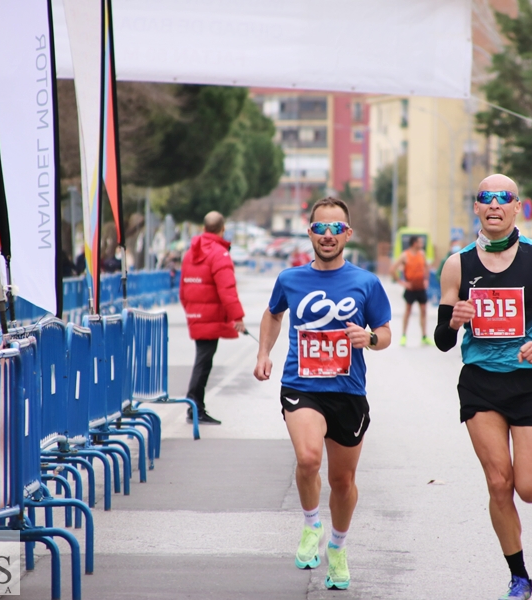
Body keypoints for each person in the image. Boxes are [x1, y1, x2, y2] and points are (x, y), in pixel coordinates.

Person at [434, 174, 532, 600]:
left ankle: (519, 565)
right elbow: (443, 341)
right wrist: (454, 320)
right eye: (486, 198)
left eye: (504, 198)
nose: (495, 205)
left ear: (518, 206)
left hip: (529, 384)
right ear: (477, 208)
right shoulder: (458, 264)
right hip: (481, 384)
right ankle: (518, 575)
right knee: (499, 483)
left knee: (530, 489)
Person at [253, 197, 392, 591]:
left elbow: (384, 334)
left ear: (347, 234)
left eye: (336, 229)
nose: (327, 236)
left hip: (348, 391)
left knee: (343, 481)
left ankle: (338, 548)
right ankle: (312, 523)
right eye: (320, 228)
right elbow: (273, 312)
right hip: (302, 385)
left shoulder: (366, 282)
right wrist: (264, 353)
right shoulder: (290, 279)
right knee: (308, 458)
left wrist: (368, 337)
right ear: (309, 231)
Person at [180, 211, 246, 425]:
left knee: (203, 359)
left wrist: (191, 310)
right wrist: (238, 318)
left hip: (196, 313)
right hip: (210, 315)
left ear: (204, 228)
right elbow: (227, 289)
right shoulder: (219, 254)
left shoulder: (191, 252)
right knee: (203, 361)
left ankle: (195, 405)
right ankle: (195, 406)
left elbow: (183, 289)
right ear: (222, 228)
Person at [390, 235, 430, 346]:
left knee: (424, 311)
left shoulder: (422, 254)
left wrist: (426, 280)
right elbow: (392, 269)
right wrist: (402, 282)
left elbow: (426, 267)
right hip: (411, 288)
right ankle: (403, 336)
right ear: (414, 243)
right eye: (420, 242)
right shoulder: (405, 255)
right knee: (408, 311)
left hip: (421, 287)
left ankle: (424, 336)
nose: (421, 244)